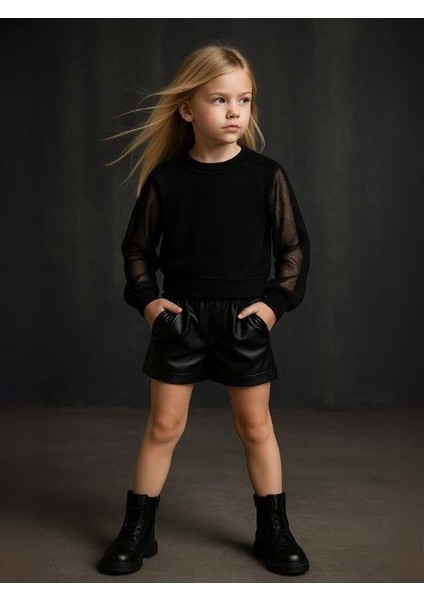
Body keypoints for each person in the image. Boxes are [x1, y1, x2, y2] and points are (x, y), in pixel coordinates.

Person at [98, 43, 311, 578]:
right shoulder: (167, 179)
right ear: (187, 109)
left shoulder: (266, 175)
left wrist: (272, 307)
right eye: (220, 99)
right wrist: (150, 304)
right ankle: (137, 529)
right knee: (164, 424)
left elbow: (293, 250)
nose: (235, 112)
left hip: (245, 320)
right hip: (181, 320)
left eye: (245, 100)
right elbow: (137, 250)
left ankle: (274, 529)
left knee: (256, 425)